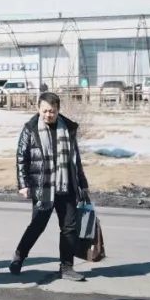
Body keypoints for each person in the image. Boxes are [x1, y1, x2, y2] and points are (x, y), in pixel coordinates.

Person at [10, 92, 89, 281]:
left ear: (58, 110)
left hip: (66, 185)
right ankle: (19, 256)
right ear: (38, 108)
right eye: (45, 111)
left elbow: (75, 159)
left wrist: (83, 184)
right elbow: (21, 158)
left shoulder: (68, 128)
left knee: (69, 228)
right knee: (37, 226)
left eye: (52, 111)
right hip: (42, 186)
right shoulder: (30, 128)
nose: (48, 115)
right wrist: (23, 184)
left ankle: (66, 267)